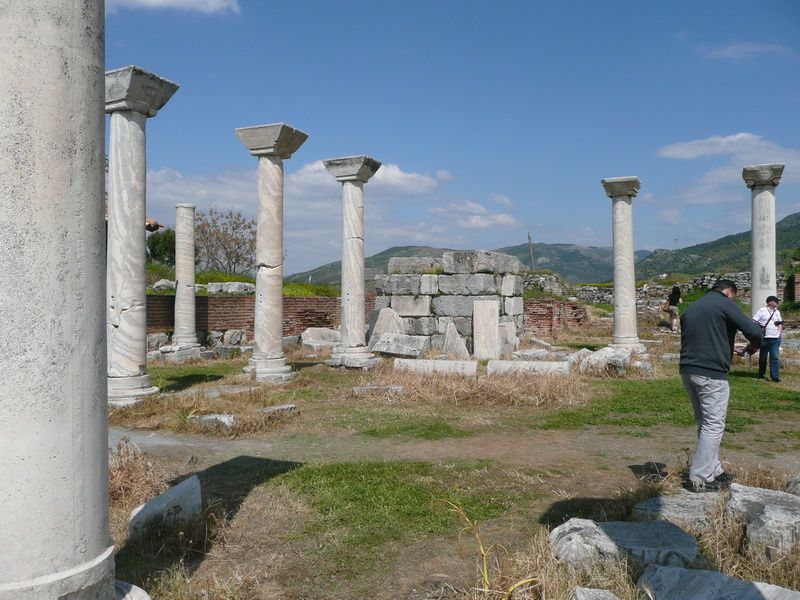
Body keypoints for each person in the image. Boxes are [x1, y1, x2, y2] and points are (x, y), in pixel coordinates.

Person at [680, 279, 762, 492]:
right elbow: (753, 330)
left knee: (705, 423)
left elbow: (704, 337)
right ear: (729, 291)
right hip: (711, 373)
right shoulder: (724, 302)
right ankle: (701, 477)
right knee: (713, 425)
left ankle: (714, 470)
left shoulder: (692, 307)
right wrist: (755, 345)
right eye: (734, 295)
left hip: (688, 369)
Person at [753, 295, 783, 382]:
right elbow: (754, 321)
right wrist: (759, 330)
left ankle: (775, 377)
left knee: (775, 357)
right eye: (776, 301)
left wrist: (779, 333)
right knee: (763, 357)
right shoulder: (762, 310)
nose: (777, 303)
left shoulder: (777, 312)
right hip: (764, 338)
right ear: (770, 302)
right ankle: (761, 374)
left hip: (775, 338)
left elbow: (780, 323)